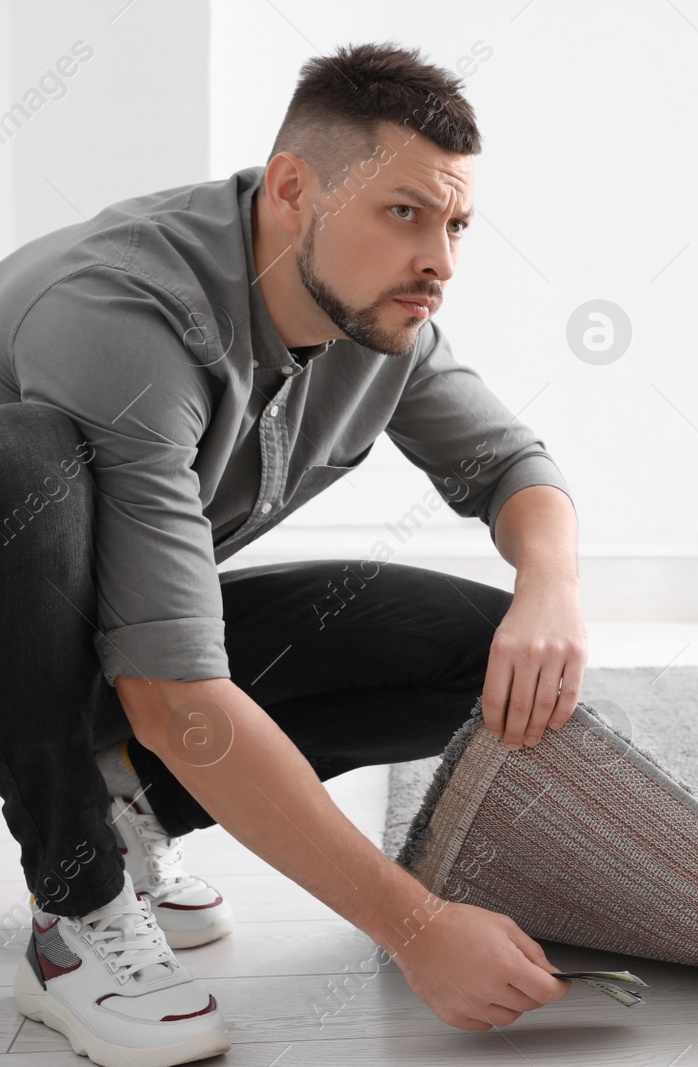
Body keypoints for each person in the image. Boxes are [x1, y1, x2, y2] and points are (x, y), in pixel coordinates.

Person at [0, 40, 587, 1066]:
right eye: (404, 212)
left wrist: (551, 583)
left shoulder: (376, 315)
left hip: (75, 657)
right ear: (290, 187)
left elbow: (511, 461)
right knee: (23, 460)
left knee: (483, 653)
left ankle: (122, 799)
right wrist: (414, 925)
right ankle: (75, 898)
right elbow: (174, 692)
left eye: (455, 223)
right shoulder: (126, 314)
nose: (441, 261)